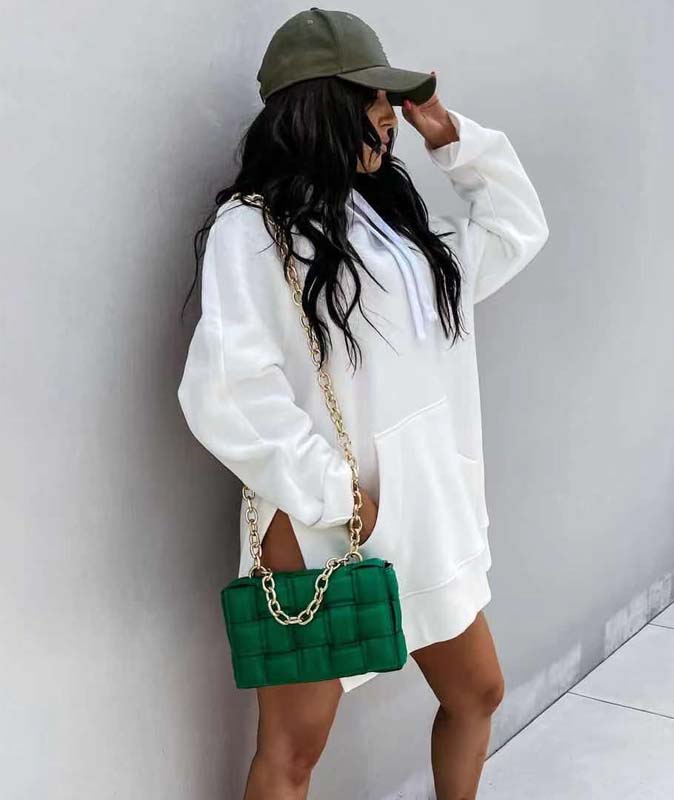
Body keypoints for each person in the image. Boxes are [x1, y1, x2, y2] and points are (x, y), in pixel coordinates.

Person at [177, 8, 549, 799]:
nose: (390, 115)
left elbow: (517, 228)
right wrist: (340, 497)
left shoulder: (398, 226)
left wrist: (449, 135)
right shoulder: (255, 227)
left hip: (428, 512)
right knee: (292, 753)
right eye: (373, 97)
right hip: (328, 521)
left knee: (478, 691)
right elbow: (227, 389)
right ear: (321, 104)